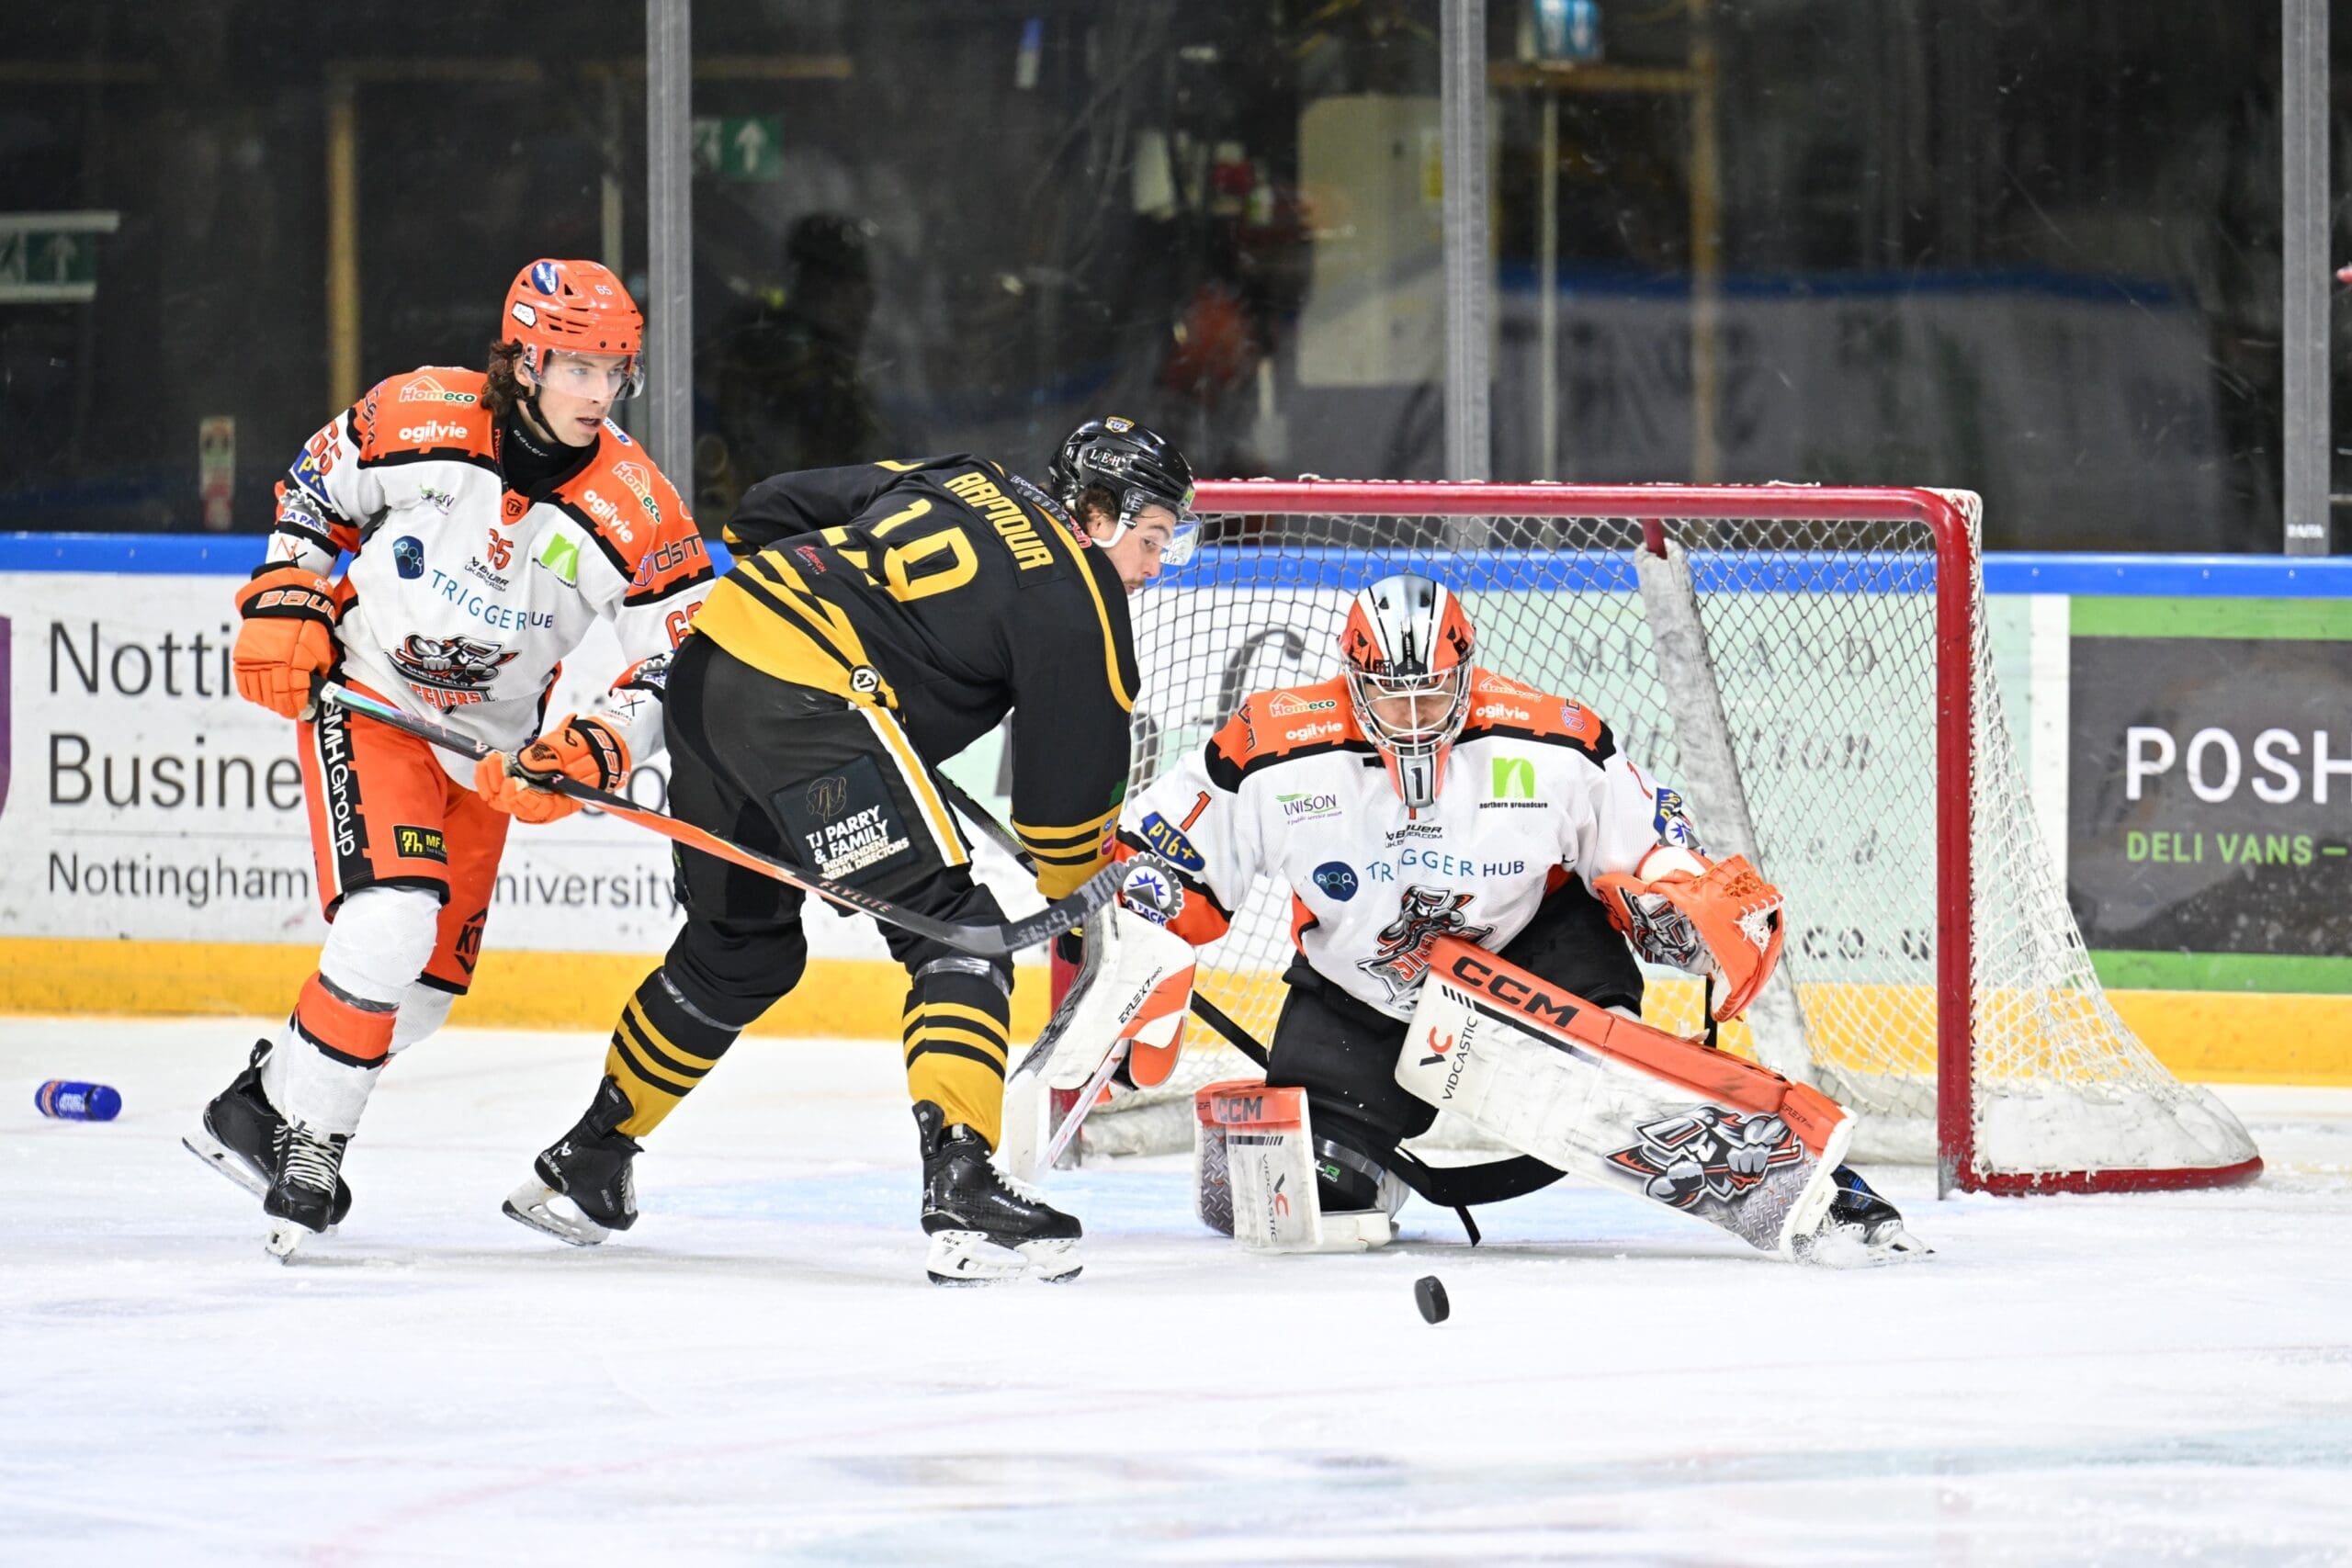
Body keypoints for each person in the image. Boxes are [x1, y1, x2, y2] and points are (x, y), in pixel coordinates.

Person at [503, 416, 1201, 1285]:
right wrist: (1088, 911)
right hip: (813, 708)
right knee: (956, 934)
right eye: (1153, 536)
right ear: (1097, 513)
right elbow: (1061, 833)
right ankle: (963, 1188)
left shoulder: (958, 470)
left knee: (740, 951)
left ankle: (589, 1162)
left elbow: (758, 514)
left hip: (709, 672)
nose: (1155, 562)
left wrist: (881, 673)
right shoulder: (1080, 599)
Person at [1103, 572, 1917, 1256]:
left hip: (1534, 957)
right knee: (1299, 1202)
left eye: (1434, 694)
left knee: (1604, 1083)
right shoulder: (1273, 747)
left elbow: (1648, 847)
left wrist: (1679, 899)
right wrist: (1136, 922)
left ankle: (1816, 1187)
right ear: (1353, 681)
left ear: (1468, 675)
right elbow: (1169, 862)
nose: (1416, 716)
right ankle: (1357, 1147)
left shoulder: (1552, 740)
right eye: (1392, 695)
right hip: (1365, 987)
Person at [184, 259, 715, 1258]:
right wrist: (289, 591)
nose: (598, 394)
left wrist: (604, 739)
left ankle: (256, 1105)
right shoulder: (422, 413)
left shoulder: (634, 502)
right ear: (522, 358)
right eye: (577, 369)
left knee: (422, 992)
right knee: (391, 920)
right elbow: (315, 489)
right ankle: (313, 1148)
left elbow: (684, 643)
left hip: (491, 748)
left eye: (616, 373)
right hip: (373, 694)